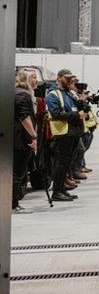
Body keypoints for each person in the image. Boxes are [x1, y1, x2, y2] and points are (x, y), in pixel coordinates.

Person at [45, 69, 85, 201]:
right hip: (63, 132)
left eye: (70, 78)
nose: (69, 80)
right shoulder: (53, 94)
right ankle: (56, 191)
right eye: (66, 78)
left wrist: (82, 102)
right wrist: (76, 115)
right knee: (62, 162)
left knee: (67, 162)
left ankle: (62, 189)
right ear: (59, 78)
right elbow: (56, 114)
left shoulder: (69, 93)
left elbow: (77, 108)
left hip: (73, 131)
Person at [14, 69, 39, 213]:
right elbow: (25, 118)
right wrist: (34, 136)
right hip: (21, 139)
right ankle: (13, 204)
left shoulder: (14, 92)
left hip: (13, 137)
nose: (36, 81)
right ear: (26, 80)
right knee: (18, 172)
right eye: (33, 77)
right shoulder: (23, 95)